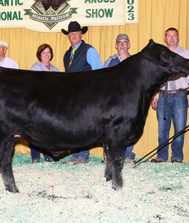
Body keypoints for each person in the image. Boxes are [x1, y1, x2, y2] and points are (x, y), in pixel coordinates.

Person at [151, 27, 189, 163]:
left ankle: (177, 157)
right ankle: (161, 156)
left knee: (179, 128)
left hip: (180, 95)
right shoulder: (160, 54)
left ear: (178, 38)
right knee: (162, 129)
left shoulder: (185, 53)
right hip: (163, 95)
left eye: (174, 35)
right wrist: (154, 96)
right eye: (169, 36)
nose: (172, 38)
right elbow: (155, 77)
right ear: (165, 38)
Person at [61, 21, 103, 165]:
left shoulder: (89, 50)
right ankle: (74, 154)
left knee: (84, 125)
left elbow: (99, 73)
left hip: (87, 95)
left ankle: (84, 156)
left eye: (76, 33)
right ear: (68, 36)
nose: (74, 35)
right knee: (73, 125)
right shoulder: (67, 55)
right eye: (71, 33)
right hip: (72, 96)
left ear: (81, 34)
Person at [103, 34, 136, 164]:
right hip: (113, 100)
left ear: (129, 45)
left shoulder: (135, 61)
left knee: (130, 127)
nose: (122, 45)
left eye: (125, 42)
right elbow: (103, 80)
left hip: (130, 100)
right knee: (111, 128)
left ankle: (127, 155)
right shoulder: (109, 61)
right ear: (116, 45)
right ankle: (110, 155)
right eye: (119, 42)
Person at [29, 44, 59, 163]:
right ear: (39, 55)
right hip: (38, 104)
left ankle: (48, 155)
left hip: (52, 105)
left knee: (49, 130)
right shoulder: (35, 68)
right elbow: (32, 87)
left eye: (48, 52)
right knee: (35, 130)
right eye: (44, 53)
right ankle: (35, 156)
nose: (46, 55)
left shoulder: (55, 69)